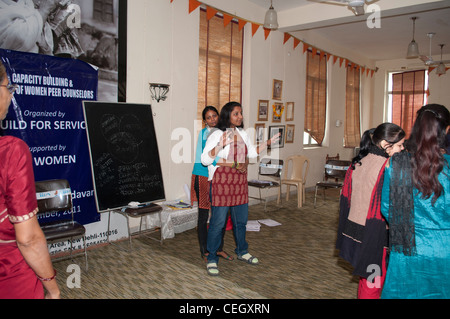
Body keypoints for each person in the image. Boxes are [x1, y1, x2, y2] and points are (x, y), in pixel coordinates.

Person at [0, 60, 60, 299]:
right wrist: (53, 289)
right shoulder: (10, 152)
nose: (9, 95)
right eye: (8, 87)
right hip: (10, 277)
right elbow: (29, 239)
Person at [201, 101, 279, 276]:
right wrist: (220, 146)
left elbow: (251, 153)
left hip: (239, 184)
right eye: (236, 113)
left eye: (241, 113)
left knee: (241, 222)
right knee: (217, 223)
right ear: (227, 114)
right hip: (221, 183)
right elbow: (205, 159)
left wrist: (267, 142)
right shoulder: (216, 134)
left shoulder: (243, 133)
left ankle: (242, 251)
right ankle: (212, 257)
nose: (240, 116)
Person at [380, 104, 450, 299]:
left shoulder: (397, 164)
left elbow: (387, 208)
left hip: (407, 247)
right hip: (446, 249)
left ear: (416, 128)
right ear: (446, 130)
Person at [336, 122, 405, 299]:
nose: (403, 149)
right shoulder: (386, 167)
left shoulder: (360, 162)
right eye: (399, 145)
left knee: (366, 276)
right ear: (384, 144)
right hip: (373, 233)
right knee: (374, 280)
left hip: (355, 228)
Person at [191, 106, 233, 262]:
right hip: (202, 176)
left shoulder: (221, 132)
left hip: (218, 177)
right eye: (208, 118)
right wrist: (231, 164)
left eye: (214, 116)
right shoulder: (205, 134)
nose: (212, 119)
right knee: (204, 216)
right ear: (204, 121)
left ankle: (218, 248)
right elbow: (210, 157)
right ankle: (206, 251)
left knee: (220, 215)